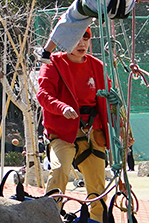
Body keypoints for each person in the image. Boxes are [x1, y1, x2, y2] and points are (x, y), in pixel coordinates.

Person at [37, 28, 118, 222]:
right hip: (64, 131)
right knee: (59, 170)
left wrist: (114, 100)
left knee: (98, 184)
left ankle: (96, 220)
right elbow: (43, 94)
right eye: (76, 39)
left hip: (93, 130)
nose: (81, 44)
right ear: (64, 40)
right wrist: (61, 107)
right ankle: (50, 217)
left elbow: (107, 95)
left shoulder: (96, 66)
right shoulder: (53, 63)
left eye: (85, 39)